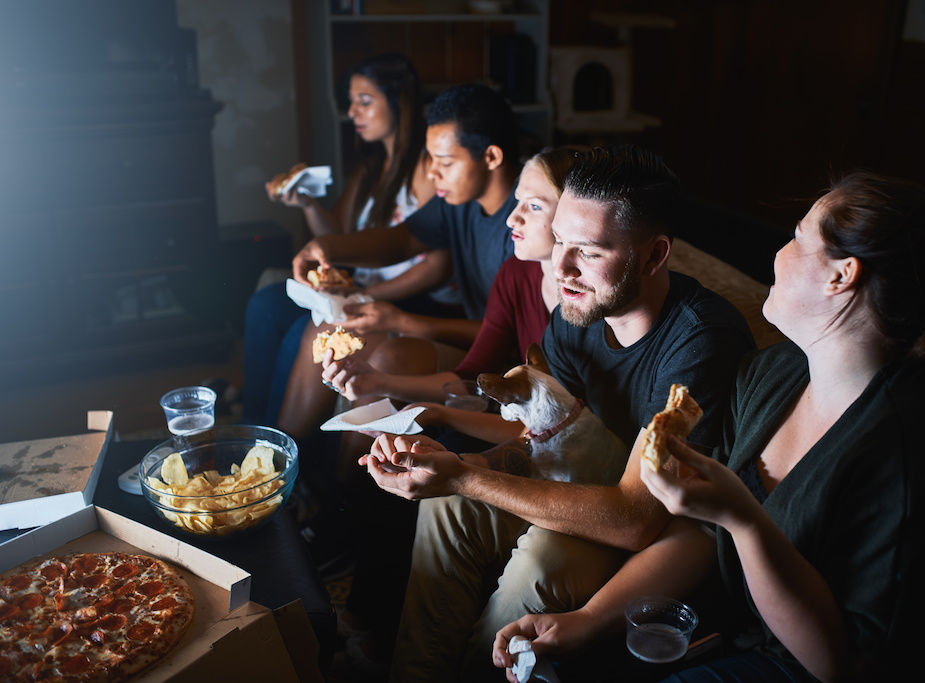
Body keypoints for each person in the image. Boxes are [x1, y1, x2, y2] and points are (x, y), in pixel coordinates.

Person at [493, 171, 925, 682]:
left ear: (843, 275)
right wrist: (587, 621)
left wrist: (744, 519)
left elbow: (842, 665)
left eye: (796, 237)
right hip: (730, 633)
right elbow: (703, 532)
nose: (777, 254)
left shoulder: (913, 450)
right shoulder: (770, 375)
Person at [360, 146, 756, 682]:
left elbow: (640, 519)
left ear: (654, 256)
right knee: (444, 507)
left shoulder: (698, 343)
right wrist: (440, 458)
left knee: (541, 560)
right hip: (595, 489)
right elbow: (540, 438)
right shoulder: (576, 313)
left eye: (588, 252)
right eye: (561, 241)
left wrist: (468, 476)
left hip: (666, 536)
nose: (561, 267)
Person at [321, 146, 584, 446]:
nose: (512, 219)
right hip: (529, 427)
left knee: (452, 445)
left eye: (534, 207)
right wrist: (375, 382)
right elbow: (470, 374)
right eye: (518, 202)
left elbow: (557, 430)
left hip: (568, 443)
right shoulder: (515, 274)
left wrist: (439, 414)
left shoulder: (589, 301)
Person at [242, 53, 449, 432]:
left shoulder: (424, 169)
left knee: (298, 332)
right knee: (265, 305)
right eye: (352, 101)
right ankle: (253, 426)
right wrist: (306, 202)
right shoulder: (370, 170)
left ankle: (278, 444)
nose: (353, 111)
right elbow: (334, 234)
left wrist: (370, 295)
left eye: (365, 102)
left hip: (397, 295)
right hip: (360, 289)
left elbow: (436, 263)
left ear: (399, 103)